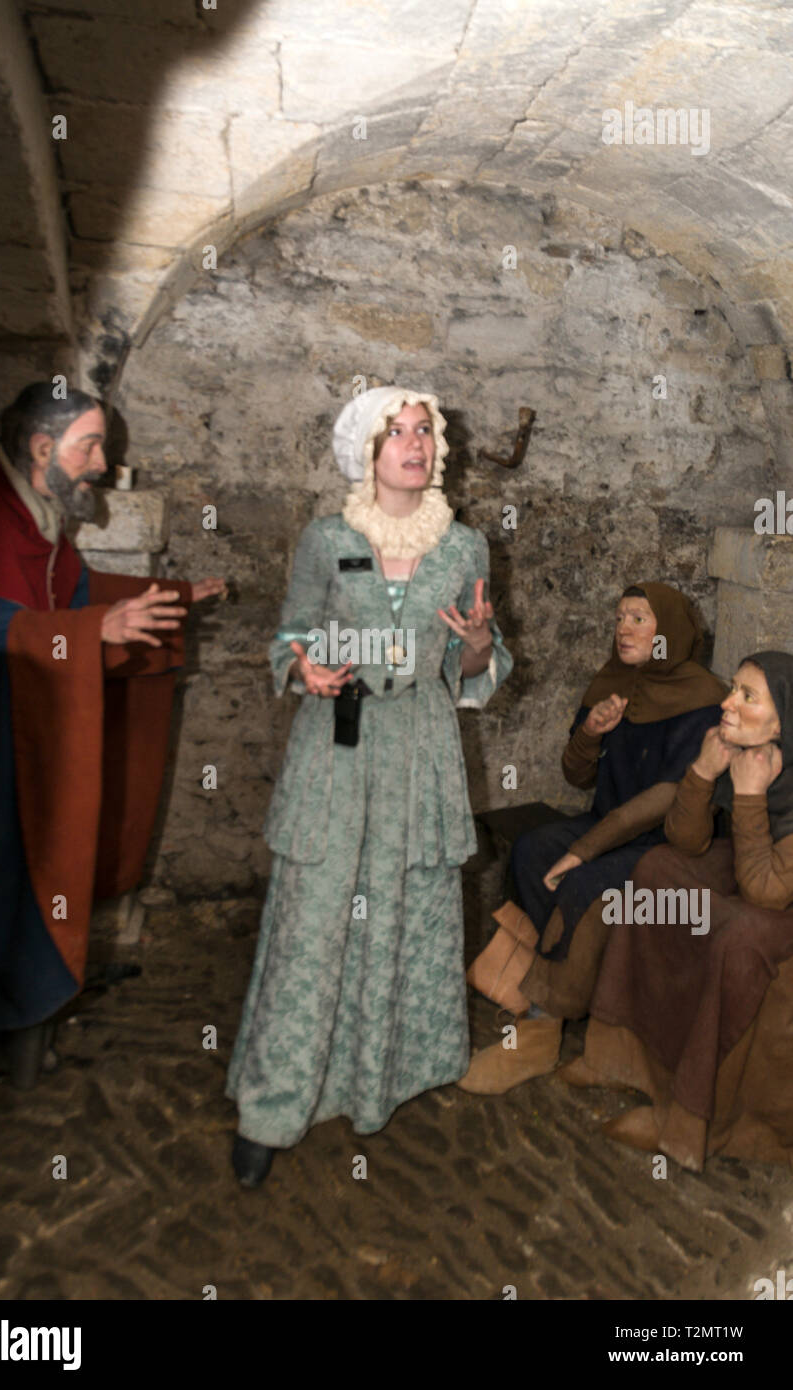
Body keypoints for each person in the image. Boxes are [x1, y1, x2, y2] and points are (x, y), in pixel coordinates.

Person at [226, 384, 513, 1186]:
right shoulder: (326, 540)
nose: (416, 444)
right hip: (337, 744)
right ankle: (272, 1108)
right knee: (312, 924)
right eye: (398, 433)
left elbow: (474, 665)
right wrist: (299, 664)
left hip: (419, 747)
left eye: (425, 432)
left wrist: (482, 641)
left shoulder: (463, 548)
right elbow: (287, 631)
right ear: (368, 451)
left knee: (402, 910)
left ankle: (385, 1078)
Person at [0, 382, 226, 1085]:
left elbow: (74, 592)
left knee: (9, 890)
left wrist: (175, 596)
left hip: (21, 735)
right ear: (41, 448)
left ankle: (7, 1026)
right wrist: (95, 632)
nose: (100, 461)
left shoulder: (33, 514)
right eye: (90, 445)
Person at [459, 583, 726, 1095]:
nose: (623, 627)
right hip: (606, 825)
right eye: (620, 616)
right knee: (535, 849)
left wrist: (585, 849)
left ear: (668, 632)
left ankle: (539, 1032)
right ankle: (568, 987)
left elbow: (669, 798)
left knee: (580, 882)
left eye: (640, 619)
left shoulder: (703, 701)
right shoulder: (613, 681)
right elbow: (577, 777)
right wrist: (590, 734)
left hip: (664, 845)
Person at [569, 651, 793, 1171]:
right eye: (732, 688)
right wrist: (701, 771)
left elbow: (767, 893)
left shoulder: (770, 775)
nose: (727, 702)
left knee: (740, 938)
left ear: (784, 722)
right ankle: (617, 1057)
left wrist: (752, 795)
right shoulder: (742, 753)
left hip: (775, 899)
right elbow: (687, 840)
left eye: (747, 696)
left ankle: (688, 1122)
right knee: (655, 871)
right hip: (753, 873)